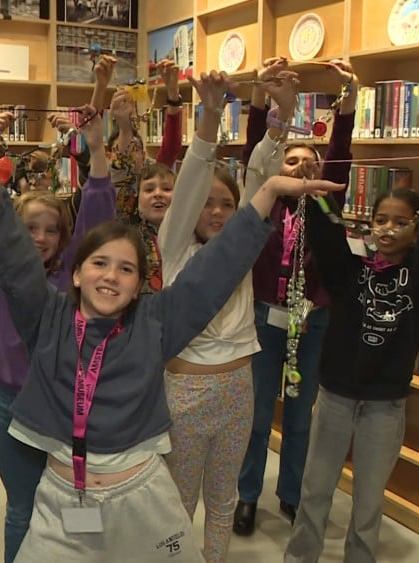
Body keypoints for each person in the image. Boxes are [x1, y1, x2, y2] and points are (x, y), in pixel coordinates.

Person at [0, 105, 344, 560]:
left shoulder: (156, 321)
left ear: (139, 283)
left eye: (126, 268)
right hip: (64, 497)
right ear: (76, 274)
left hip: (144, 497)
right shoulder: (48, 316)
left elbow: (214, 271)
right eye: (99, 264)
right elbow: (12, 255)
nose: (111, 276)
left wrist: (267, 193)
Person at [283, 149, 419, 563]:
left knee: (367, 502)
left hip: (385, 405)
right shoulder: (350, 271)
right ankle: (299, 557)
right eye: (381, 220)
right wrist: (312, 189)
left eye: (401, 222)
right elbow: (327, 233)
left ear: (417, 230)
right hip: (335, 398)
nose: (388, 229)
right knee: (315, 489)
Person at [0, 104, 116, 562]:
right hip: (14, 406)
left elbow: (97, 219)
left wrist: (95, 149)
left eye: (51, 231)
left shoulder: (71, 278)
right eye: (29, 229)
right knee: (22, 508)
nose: (40, 238)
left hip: (66, 407)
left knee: (72, 506)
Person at [234, 57, 356, 535]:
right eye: (292, 160)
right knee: (259, 413)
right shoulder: (262, 210)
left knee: (301, 416)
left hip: (314, 319)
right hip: (266, 316)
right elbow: (254, 151)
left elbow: (341, 151)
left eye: (312, 161)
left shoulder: (326, 207)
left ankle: (290, 494)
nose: (303, 165)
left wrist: (347, 99)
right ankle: (247, 496)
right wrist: (262, 99)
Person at [156, 71, 256, 562]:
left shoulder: (242, 250)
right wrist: (210, 116)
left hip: (239, 388)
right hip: (186, 395)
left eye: (228, 205)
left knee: (223, 500)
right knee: (179, 502)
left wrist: (277, 120)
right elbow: (194, 173)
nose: (217, 212)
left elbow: (263, 180)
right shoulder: (175, 250)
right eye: (208, 204)